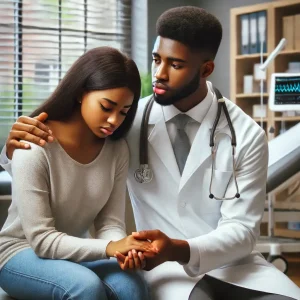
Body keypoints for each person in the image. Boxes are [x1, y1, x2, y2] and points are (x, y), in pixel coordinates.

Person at [1, 6, 300, 300]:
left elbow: (243, 231)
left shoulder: (245, 135)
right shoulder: (129, 124)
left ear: (206, 69)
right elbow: (49, 161)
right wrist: (10, 150)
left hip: (235, 264)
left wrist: (173, 248)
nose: (159, 73)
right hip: (163, 267)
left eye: (176, 64)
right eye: (157, 59)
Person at [0, 46, 153, 300]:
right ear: (82, 94)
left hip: (71, 250)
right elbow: (41, 240)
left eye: (124, 112)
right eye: (107, 107)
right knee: (84, 286)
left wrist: (123, 249)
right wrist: (110, 247)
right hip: (19, 253)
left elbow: (110, 223)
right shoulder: (35, 144)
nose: (115, 120)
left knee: (132, 286)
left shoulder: (117, 149)